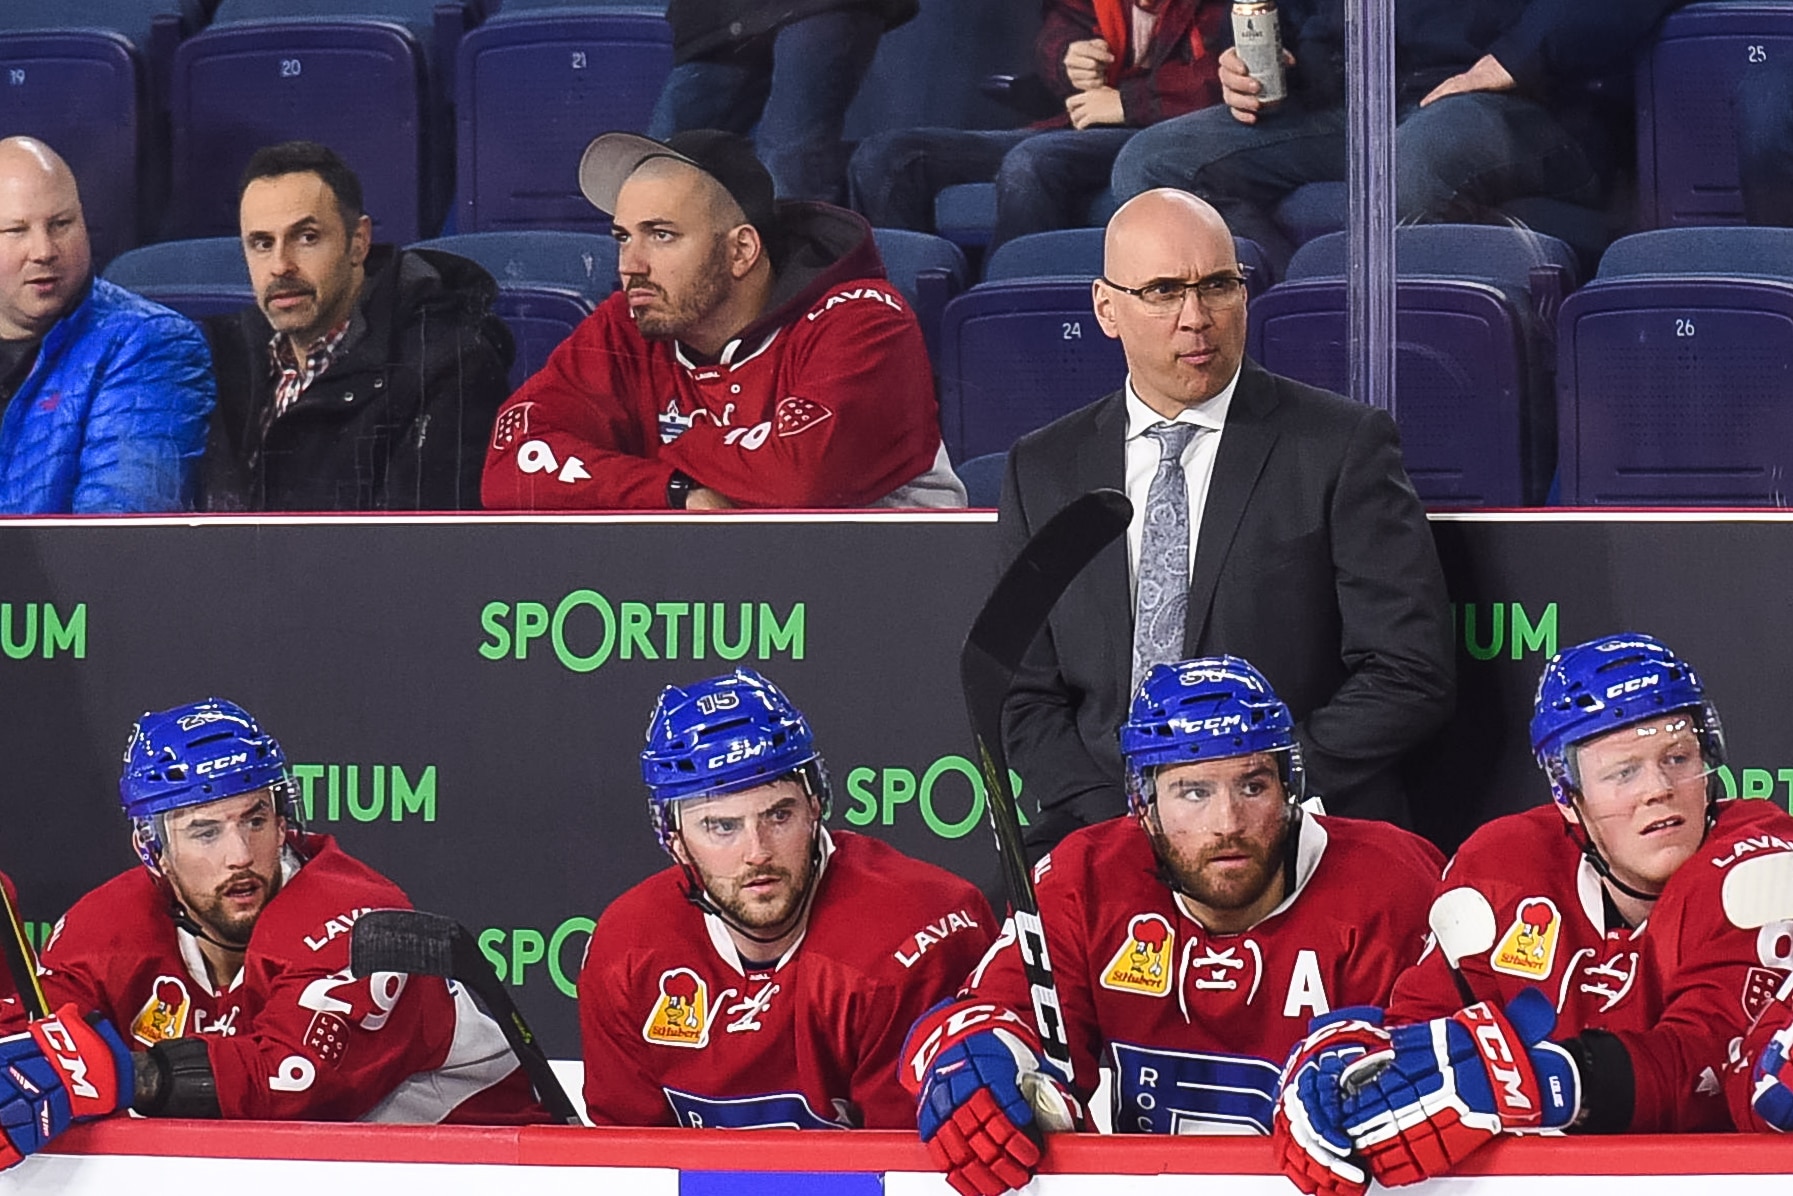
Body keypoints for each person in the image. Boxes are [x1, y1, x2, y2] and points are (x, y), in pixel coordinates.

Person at [999, 188, 1452, 856]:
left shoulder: (1339, 445)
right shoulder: (1043, 468)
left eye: (1216, 285)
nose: (1195, 317)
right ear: (1106, 308)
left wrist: (1250, 792)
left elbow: (1406, 671)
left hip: (1293, 825)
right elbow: (1023, 695)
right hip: (1106, 826)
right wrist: (1128, 821)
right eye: (1161, 291)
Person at [1274, 634, 1793, 1196]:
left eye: (1677, 758)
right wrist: (1351, 1066)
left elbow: (1707, 1062)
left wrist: (1558, 1077)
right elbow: (1419, 1028)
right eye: (1624, 772)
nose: (1659, 791)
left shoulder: (1758, 866)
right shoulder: (1502, 866)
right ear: (1568, 794)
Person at [905, 656, 1444, 1196]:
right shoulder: (1086, 879)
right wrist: (978, 1052)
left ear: (1288, 787)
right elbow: (988, 1016)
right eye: (1194, 792)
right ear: (1145, 805)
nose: (1228, 823)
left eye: (1253, 786)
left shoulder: (1391, 882)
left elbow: (1442, 1058)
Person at [0, 698, 546, 1141]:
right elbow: (37, 1045)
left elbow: (289, 1081)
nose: (239, 854)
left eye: (255, 819)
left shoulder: (359, 921)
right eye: (205, 831)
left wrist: (131, 1076)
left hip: (482, 1166)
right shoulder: (107, 929)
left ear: (283, 820)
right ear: (154, 852)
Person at [580, 667, 996, 1127]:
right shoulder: (627, 948)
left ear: (815, 808)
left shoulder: (911, 930)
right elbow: (625, 1165)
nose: (757, 853)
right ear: (674, 840)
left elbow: (907, 1176)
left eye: (779, 815)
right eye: (722, 827)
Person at [482, 130, 963, 510]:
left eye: (662, 235)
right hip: (728, 606)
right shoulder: (626, 324)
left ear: (741, 251)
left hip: (881, 605)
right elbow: (510, 468)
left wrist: (667, 448)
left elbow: (798, 480)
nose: (631, 264)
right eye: (623, 237)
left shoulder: (863, 318)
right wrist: (673, 491)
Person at [1108, 0, 1684, 271]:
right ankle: (1294, 333)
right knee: (1153, 167)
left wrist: (1518, 58)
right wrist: (1267, 57)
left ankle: (1478, 361)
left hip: (1522, 99)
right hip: (1353, 102)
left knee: (1412, 165)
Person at [204, 141, 514, 511]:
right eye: (261, 243)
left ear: (359, 242)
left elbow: (424, 553)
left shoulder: (447, 366)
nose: (280, 265)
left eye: (306, 238)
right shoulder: (225, 357)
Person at [848, 0, 1226, 249]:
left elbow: (1231, 74)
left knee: (1032, 163)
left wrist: (1129, 102)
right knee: (888, 157)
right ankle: (911, 330)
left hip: (1166, 138)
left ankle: (1013, 328)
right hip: (1080, 125)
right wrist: (1067, 57)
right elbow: (1058, 32)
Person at [0, 136, 212, 513]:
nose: (44, 251)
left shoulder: (151, 343)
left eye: (61, 224)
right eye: (16, 231)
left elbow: (113, 536)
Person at [651, 0, 917, 204]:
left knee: (787, 171)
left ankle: (798, 271)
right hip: (718, 15)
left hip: (820, 7)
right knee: (656, 170)